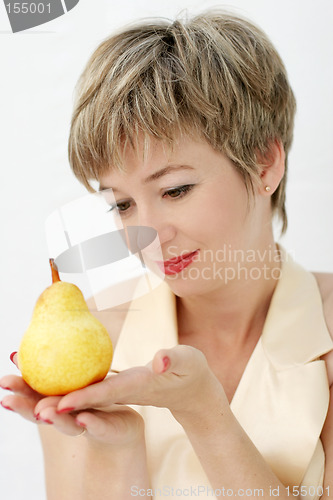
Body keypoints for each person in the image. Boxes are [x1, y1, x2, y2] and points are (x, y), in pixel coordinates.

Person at [1, 9, 333, 500]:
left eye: (176, 190)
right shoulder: (89, 349)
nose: (147, 234)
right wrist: (119, 453)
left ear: (265, 162)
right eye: (121, 203)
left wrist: (204, 412)